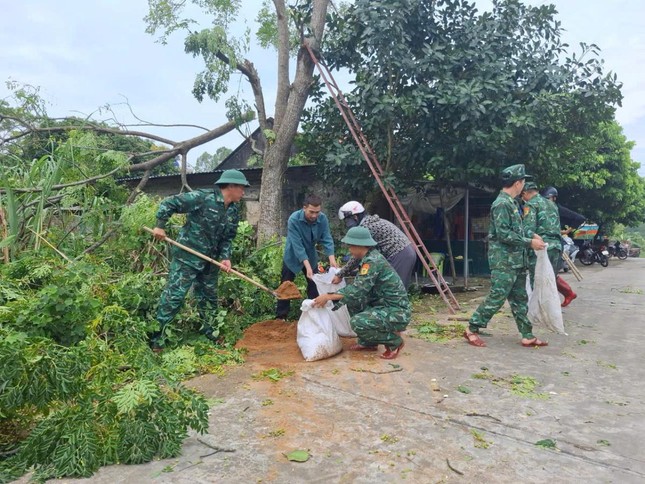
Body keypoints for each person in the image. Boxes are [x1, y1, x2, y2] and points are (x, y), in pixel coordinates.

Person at [150, 169, 250, 349]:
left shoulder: (233, 210)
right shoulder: (203, 198)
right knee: (174, 297)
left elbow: (228, 237)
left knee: (209, 298)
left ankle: (210, 334)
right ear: (231, 186)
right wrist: (160, 226)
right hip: (187, 256)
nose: (244, 192)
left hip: (210, 261)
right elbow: (170, 203)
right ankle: (157, 338)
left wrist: (225, 257)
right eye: (242, 188)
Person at [464, 164, 548, 348]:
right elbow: (503, 234)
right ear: (517, 183)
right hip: (504, 261)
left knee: (519, 299)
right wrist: (529, 242)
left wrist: (531, 236)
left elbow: (514, 229)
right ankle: (472, 328)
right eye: (523, 181)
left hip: (516, 260)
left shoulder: (511, 203)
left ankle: (527, 335)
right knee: (497, 296)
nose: (524, 185)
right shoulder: (501, 204)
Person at [312, 226, 410, 359]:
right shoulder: (368, 258)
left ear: (360, 246)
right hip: (384, 305)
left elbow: (357, 290)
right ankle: (369, 342)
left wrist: (328, 296)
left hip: (397, 312)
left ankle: (394, 342)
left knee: (358, 322)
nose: (349, 249)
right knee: (354, 302)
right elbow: (358, 291)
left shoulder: (372, 262)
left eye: (351, 246)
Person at [276, 194, 337, 320]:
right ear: (304, 208)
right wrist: (307, 267)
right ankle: (281, 316)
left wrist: (332, 259)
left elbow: (327, 238)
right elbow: (298, 246)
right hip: (292, 255)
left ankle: (313, 314)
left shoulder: (322, 219)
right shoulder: (294, 219)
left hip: (311, 255)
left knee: (314, 284)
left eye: (317, 212)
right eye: (311, 212)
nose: (314, 215)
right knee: (286, 284)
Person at [335, 201, 417, 288]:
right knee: (394, 288)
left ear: (355, 217)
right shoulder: (370, 222)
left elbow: (357, 255)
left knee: (394, 289)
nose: (347, 224)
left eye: (347, 221)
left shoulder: (366, 228)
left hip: (400, 254)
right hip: (404, 252)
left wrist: (340, 274)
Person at [522, 183, 577, 307]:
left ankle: (536, 310)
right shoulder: (552, 205)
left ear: (525, 192)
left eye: (522, 195)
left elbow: (528, 230)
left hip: (541, 248)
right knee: (550, 280)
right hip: (557, 247)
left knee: (536, 281)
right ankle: (549, 309)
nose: (523, 198)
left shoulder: (530, 204)